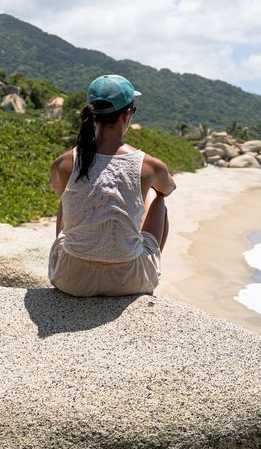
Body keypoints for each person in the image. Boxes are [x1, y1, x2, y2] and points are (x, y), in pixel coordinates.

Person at [47, 74, 176, 297]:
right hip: (128, 281)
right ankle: (145, 266)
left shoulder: (65, 161)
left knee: (67, 194)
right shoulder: (150, 165)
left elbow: (57, 190)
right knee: (158, 196)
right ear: (128, 114)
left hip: (70, 279)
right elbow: (169, 188)